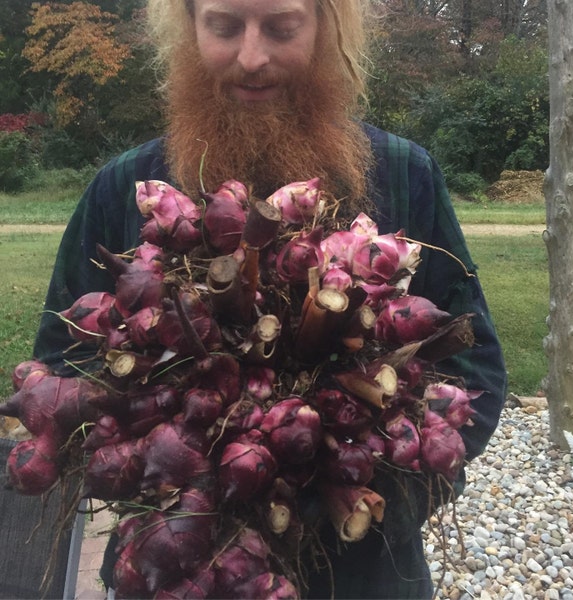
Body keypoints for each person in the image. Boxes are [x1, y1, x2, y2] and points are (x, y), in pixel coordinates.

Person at [33, 1, 507, 598]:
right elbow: (58, 366)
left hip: (359, 569)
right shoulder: (124, 187)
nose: (251, 58)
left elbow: (473, 367)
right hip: (174, 569)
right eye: (224, 27)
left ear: (325, 30)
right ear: (187, 29)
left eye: (282, 28)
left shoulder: (403, 173)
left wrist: (346, 496)